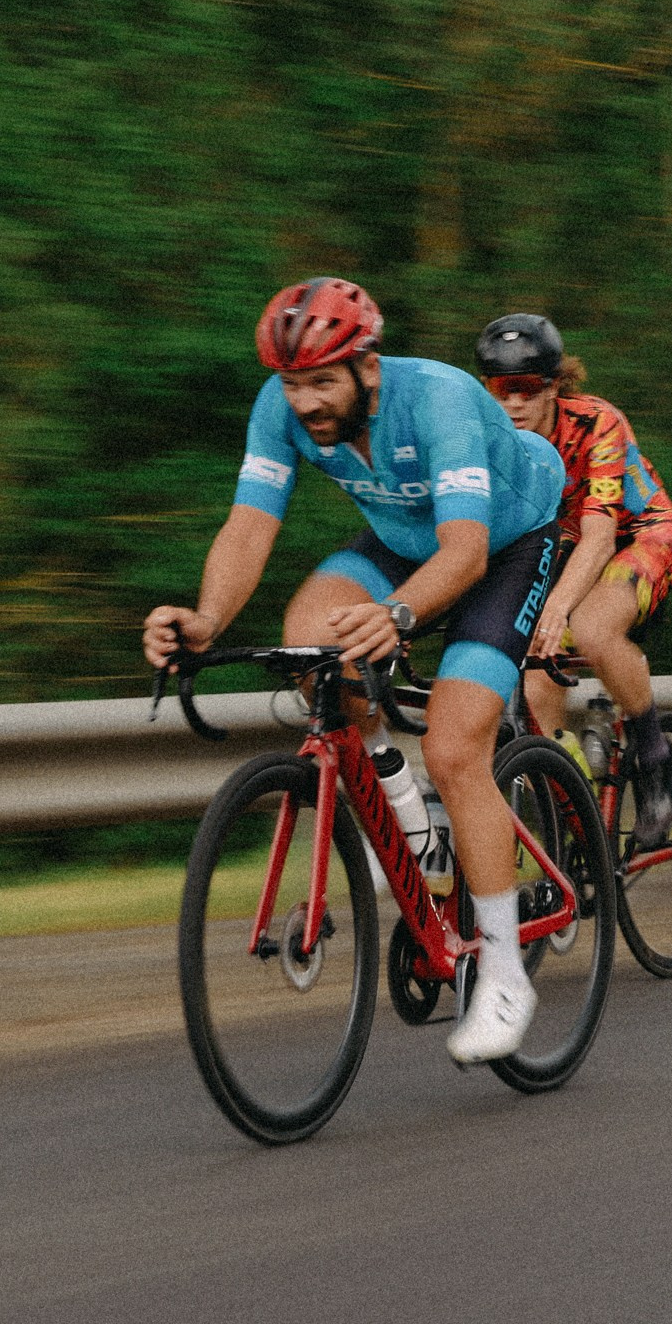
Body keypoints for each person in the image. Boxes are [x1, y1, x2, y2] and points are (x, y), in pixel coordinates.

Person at [142, 278, 569, 1064]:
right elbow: (248, 526)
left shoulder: (437, 399)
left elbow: (466, 552)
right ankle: (413, 826)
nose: (304, 403)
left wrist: (399, 616)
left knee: (456, 744)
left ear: (367, 368)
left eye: (322, 382)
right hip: (406, 538)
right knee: (308, 640)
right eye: (292, 383)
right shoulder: (280, 410)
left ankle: (506, 974)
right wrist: (204, 620)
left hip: (507, 540)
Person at [475, 313, 672, 848]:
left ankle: (654, 754)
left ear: (553, 385)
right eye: (501, 389)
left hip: (640, 535)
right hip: (570, 544)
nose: (513, 404)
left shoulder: (598, 423)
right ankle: (569, 807)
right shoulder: (488, 439)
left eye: (526, 389)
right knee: (534, 671)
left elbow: (600, 535)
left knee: (590, 629)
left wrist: (556, 609)